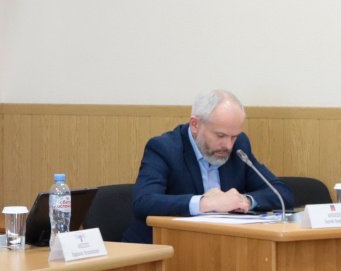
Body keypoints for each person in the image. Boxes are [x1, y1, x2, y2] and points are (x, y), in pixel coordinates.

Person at [124, 89, 294, 242]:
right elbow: (144, 201)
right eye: (220, 135)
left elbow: (281, 193)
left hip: (217, 247)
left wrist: (245, 201)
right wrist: (206, 203)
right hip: (163, 247)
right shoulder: (164, 148)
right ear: (195, 125)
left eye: (234, 136)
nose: (228, 145)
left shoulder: (239, 146)